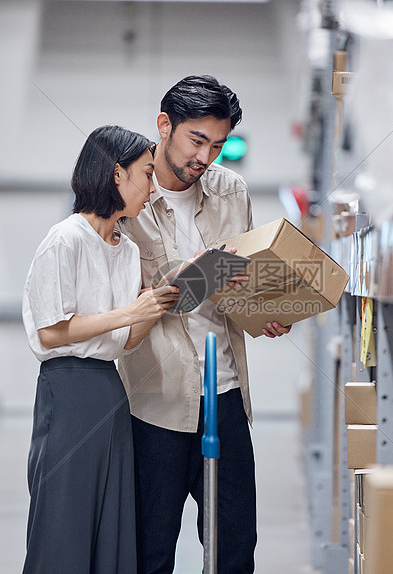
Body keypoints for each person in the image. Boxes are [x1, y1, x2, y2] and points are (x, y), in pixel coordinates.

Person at [116, 75, 290, 574]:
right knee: (151, 548)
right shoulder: (129, 195)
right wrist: (183, 280)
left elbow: (243, 278)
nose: (205, 157)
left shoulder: (231, 190)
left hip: (226, 394)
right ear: (164, 125)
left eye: (217, 145)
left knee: (235, 546)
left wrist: (266, 310)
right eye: (196, 140)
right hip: (156, 401)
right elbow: (118, 304)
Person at [21, 125, 179, 574]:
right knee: (62, 525)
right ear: (117, 175)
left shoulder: (127, 251)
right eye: (147, 174)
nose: (152, 188)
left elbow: (126, 342)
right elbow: (53, 332)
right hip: (68, 394)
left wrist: (157, 305)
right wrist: (130, 312)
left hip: (111, 394)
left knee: (112, 529)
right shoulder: (65, 240)